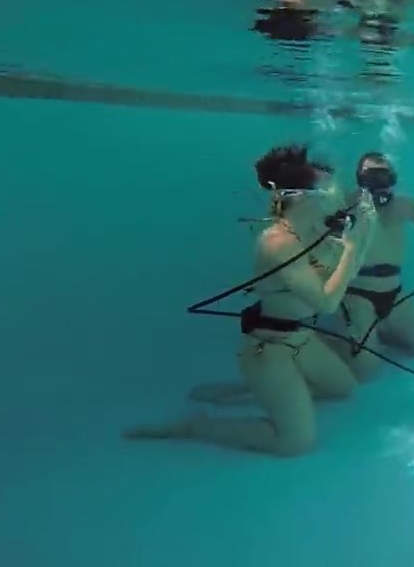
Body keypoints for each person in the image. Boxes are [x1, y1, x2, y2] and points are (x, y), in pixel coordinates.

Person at [124, 144, 376, 456]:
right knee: (295, 443)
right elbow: (327, 303)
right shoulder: (278, 243)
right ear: (301, 198)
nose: (337, 200)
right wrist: (351, 250)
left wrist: (364, 232)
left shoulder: (314, 232)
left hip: (303, 340)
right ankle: (194, 426)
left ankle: (250, 392)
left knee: (344, 388)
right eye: (328, 192)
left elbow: (346, 271)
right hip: (269, 351)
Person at [332, 152, 414, 378]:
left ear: (391, 177)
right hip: (357, 294)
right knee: (366, 370)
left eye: (382, 174)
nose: (377, 180)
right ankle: (337, 340)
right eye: (371, 174)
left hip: (393, 293)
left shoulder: (405, 204)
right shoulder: (345, 203)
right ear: (360, 177)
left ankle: (378, 334)